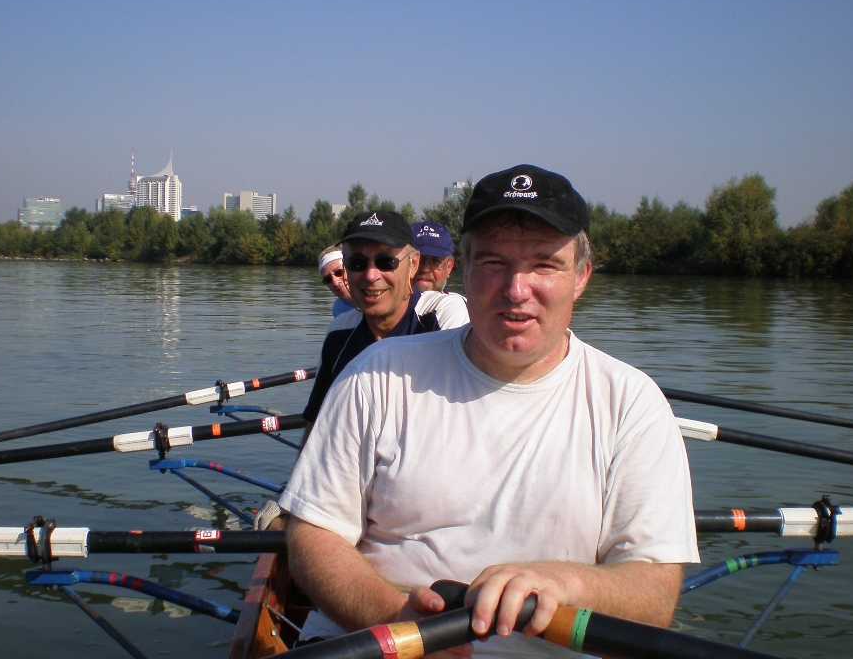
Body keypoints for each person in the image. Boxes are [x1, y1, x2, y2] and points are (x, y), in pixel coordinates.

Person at [280, 165, 699, 656]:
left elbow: (654, 593)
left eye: (545, 265)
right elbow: (313, 538)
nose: (516, 289)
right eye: (494, 262)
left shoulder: (633, 404)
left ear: (581, 276)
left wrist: (566, 583)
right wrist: (396, 622)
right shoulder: (375, 375)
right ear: (465, 266)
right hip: (378, 642)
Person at [302, 210, 469, 425]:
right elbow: (316, 426)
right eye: (357, 263)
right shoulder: (339, 331)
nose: (371, 276)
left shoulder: (443, 313)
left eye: (386, 262)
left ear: (412, 264)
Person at [410, 221, 456, 292]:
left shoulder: (458, 299)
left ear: (449, 267)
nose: (425, 269)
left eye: (435, 261)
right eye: (418, 260)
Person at [319, 245, 356, 317]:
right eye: (328, 279)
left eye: (339, 272)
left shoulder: (377, 295)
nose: (335, 283)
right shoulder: (339, 309)